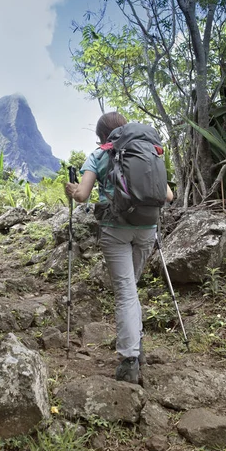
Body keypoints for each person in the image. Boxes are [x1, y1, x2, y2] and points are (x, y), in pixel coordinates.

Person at [65, 112, 173, 384]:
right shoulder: (147, 151)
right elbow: (168, 195)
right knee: (131, 288)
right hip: (147, 228)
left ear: (102, 135)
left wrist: (72, 189)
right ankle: (136, 345)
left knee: (125, 292)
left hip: (115, 230)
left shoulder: (99, 154)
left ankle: (129, 360)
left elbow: (82, 196)